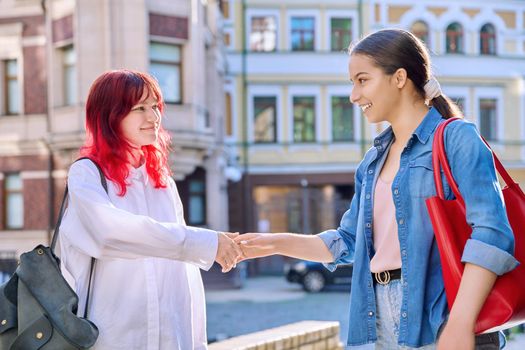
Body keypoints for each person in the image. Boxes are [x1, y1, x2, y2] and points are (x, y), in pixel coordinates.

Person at [235, 29, 519, 350]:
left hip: (442, 318)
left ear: (399, 78)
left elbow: (492, 234)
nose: (353, 95)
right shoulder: (372, 162)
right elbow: (348, 242)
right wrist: (273, 243)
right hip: (381, 319)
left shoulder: (456, 138)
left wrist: (460, 324)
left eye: (362, 80)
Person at [57, 69, 242, 349]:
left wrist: (194, 342)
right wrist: (206, 242)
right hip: (110, 338)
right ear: (110, 115)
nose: (153, 117)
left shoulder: (162, 179)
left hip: (169, 338)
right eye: (139, 108)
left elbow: (184, 272)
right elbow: (111, 234)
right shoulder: (86, 175)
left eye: (155, 106)